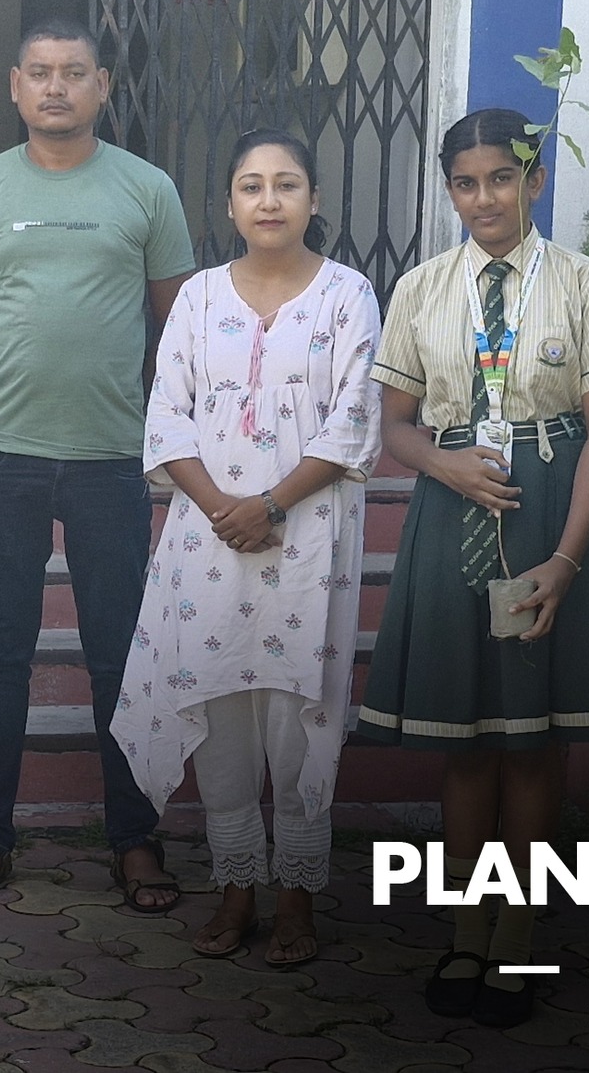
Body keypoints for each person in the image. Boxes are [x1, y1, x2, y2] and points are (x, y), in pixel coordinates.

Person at [362, 107, 589, 1029]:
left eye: (502, 178)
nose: (484, 198)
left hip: (550, 506)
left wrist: (567, 557)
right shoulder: (420, 288)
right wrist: (441, 465)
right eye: (465, 182)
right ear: (449, 189)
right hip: (452, 512)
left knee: (534, 740)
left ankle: (516, 937)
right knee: (467, 737)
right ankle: (465, 932)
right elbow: (394, 424)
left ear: (535, 180)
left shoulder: (585, 283)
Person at [0, 17, 196, 911]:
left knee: (119, 656)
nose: (56, 87)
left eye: (73, 73)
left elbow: (175, 326)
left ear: (102, 86)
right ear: (15, 86)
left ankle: (134, 839)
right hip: (3, 458)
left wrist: (128, 403)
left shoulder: (147, 189)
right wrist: (9, 385)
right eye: (40, 73)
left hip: (108, 460)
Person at [110, 129, 380, 964]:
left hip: (308, 539)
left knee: (299, 716)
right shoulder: (196, 298)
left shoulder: (347, 295)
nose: (269, 200)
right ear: (228, 204)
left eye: (286, 184)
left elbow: (353, 419)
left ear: (313, 200)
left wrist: (269, 505)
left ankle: (295, 899)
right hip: (207, 542)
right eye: (251, 185)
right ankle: (235, 891)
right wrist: (223, 509)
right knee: (220, 713)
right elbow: (167, 416)